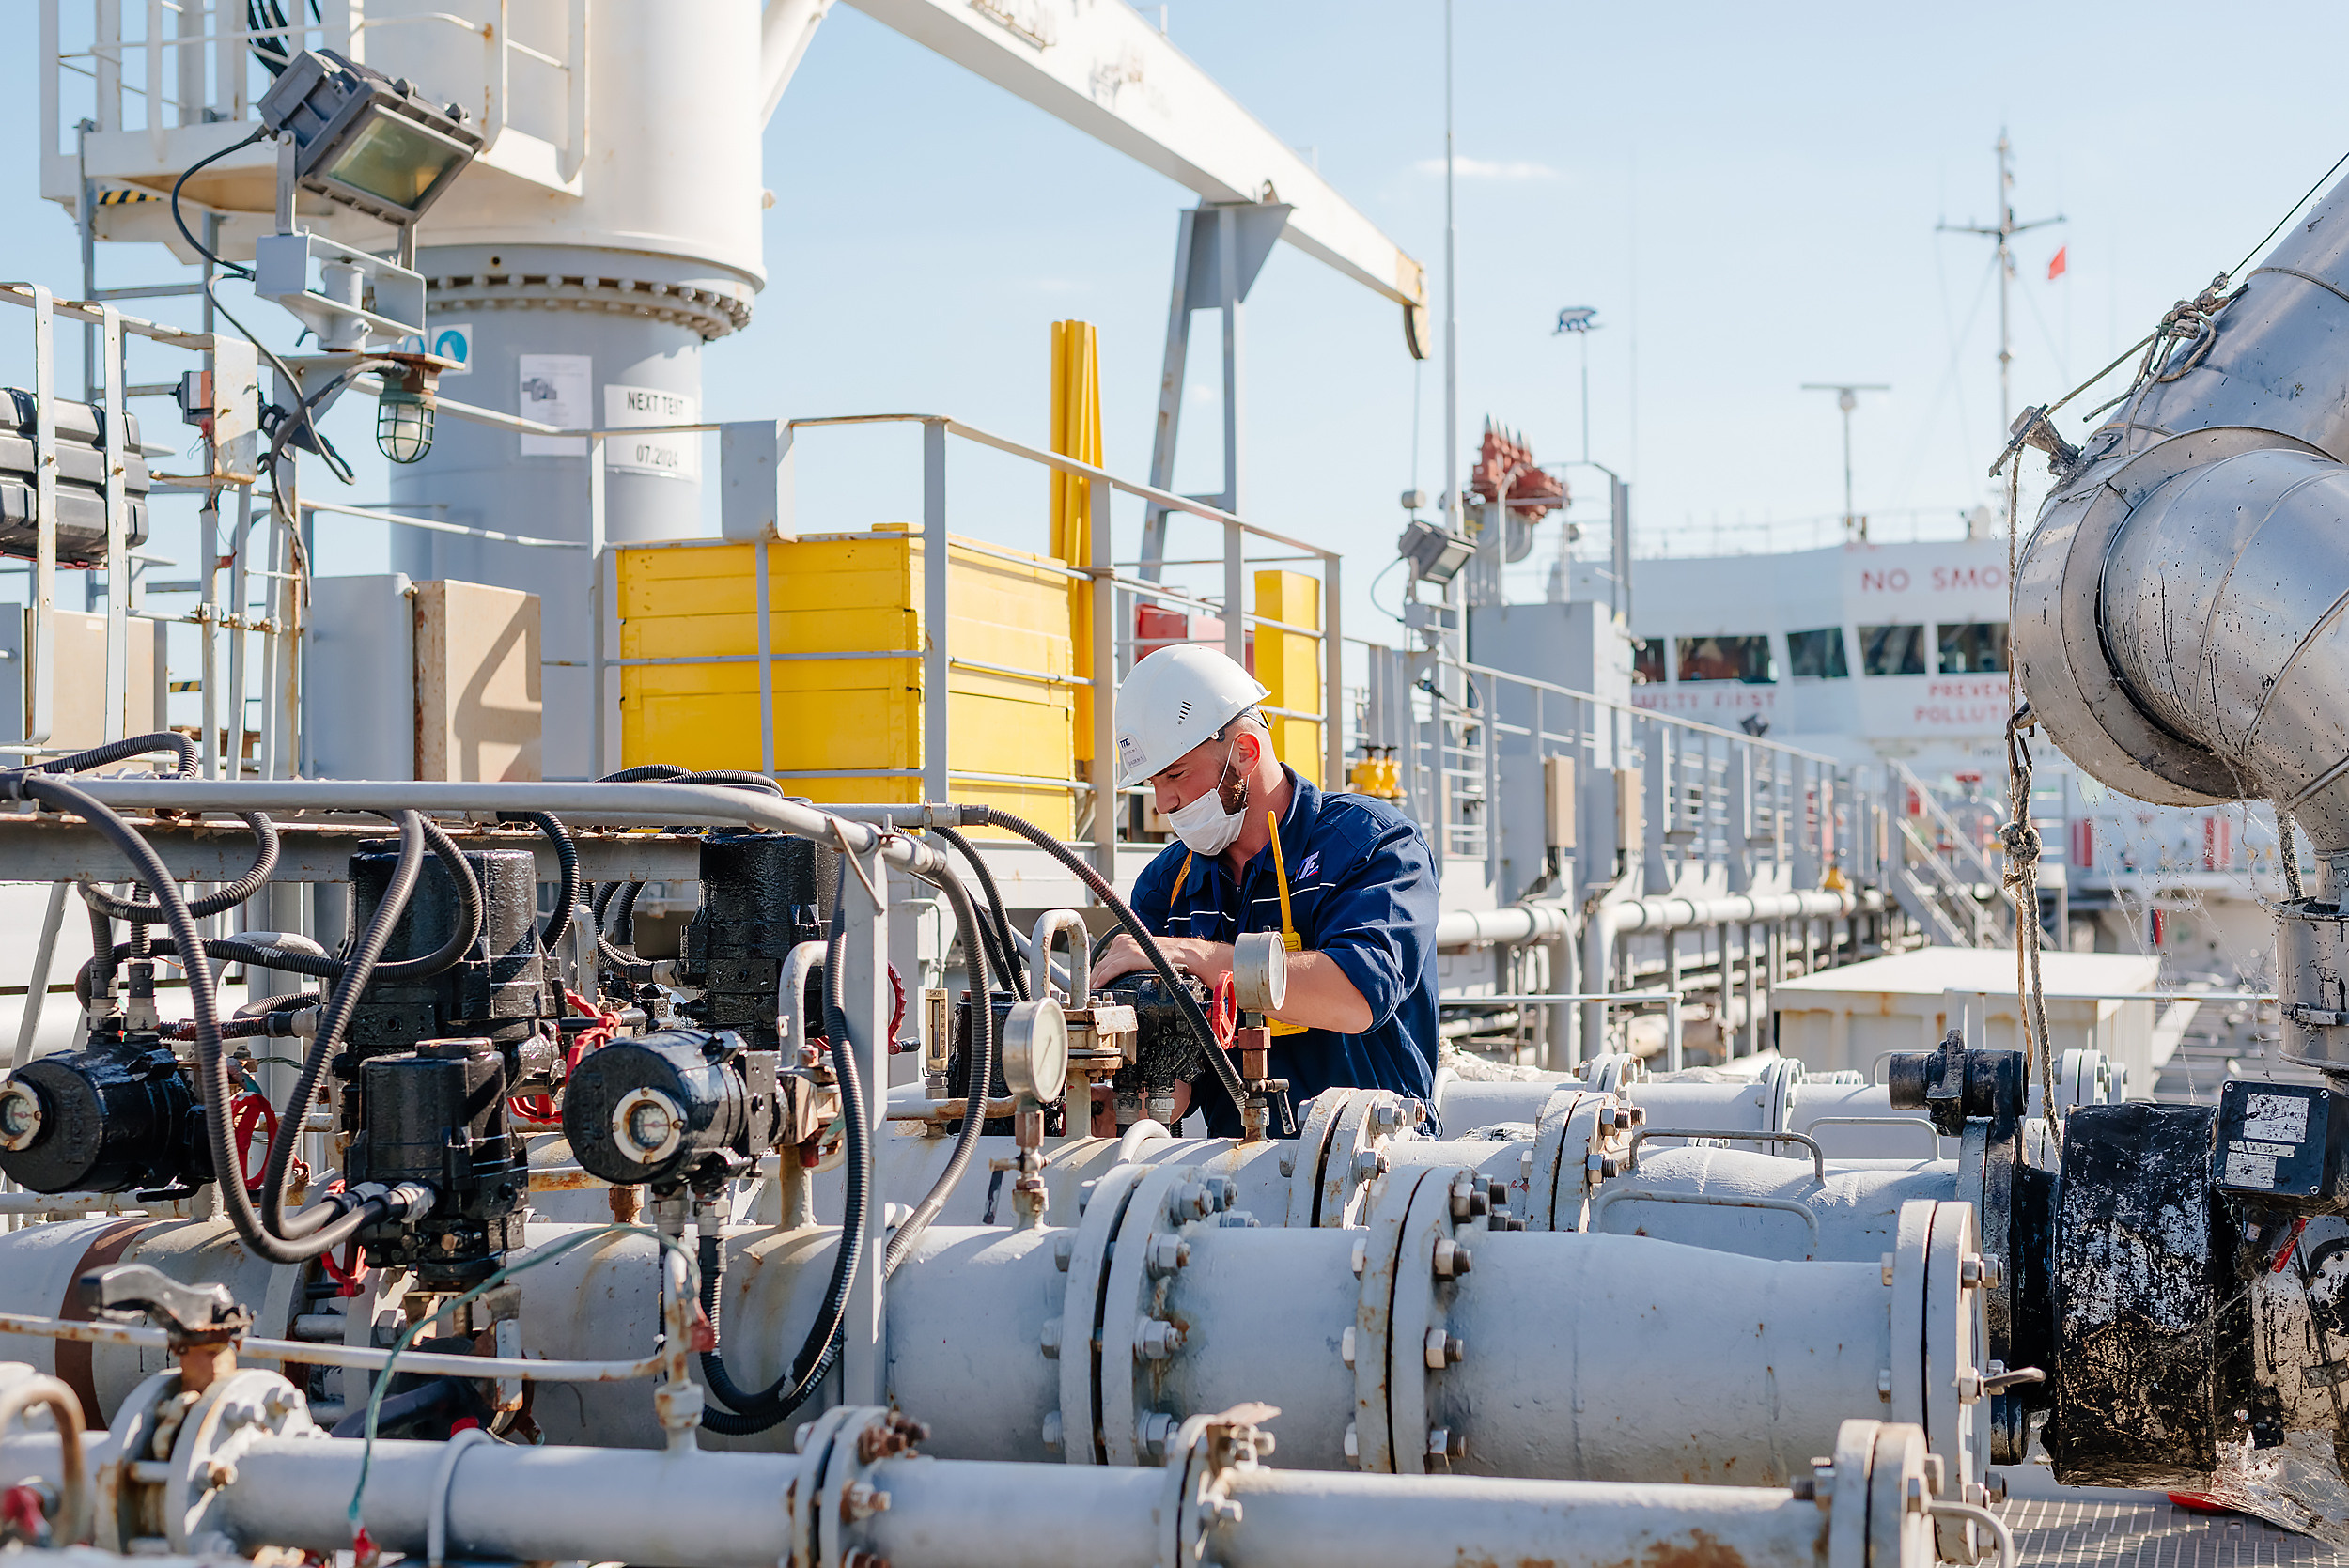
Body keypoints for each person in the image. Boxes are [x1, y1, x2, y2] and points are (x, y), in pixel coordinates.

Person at [1089, 644, 1439, 1137]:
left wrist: (1199, 959)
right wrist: (1112, 1101)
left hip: (1381, 1171)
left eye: (1176, 775)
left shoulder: (1371, 844)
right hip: (1236, 1187)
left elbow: (1356, 997)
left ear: (1246, 753)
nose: (1164, 801)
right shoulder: (1168, 886)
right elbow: (1173, 1091)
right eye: (1152, 783)